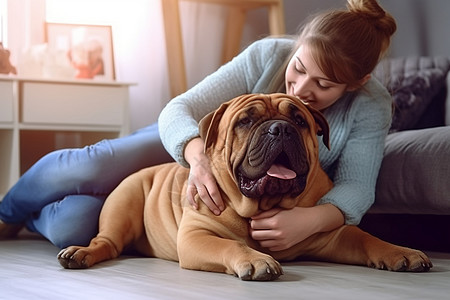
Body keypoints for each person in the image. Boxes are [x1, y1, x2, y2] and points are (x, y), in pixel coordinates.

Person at [0, 0, 396, 251]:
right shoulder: (266, 54)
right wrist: (198, 158)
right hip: (191, 142)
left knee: (75, 226)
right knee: (91, 167)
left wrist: (310, 219)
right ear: (294, 50)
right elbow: (179, 108)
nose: (301, 88)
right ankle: (6, 211)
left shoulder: (371, 105)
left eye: (323, 85)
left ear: (356, 83)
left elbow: (357, 187)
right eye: (298, 68)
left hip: (253, 176)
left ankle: (35, 218)